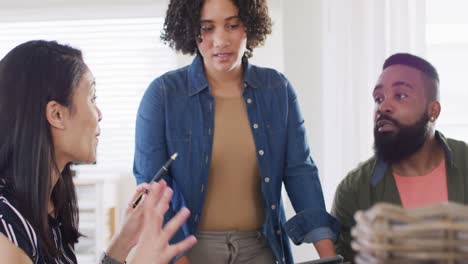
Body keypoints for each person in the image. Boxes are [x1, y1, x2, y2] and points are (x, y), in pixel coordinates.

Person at [133, 0, 339, 263]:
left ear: (249, 26)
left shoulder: (277, 89)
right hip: (189, 251)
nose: (221, 40)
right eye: (207, 28)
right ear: (189, 30)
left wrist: (329, 256)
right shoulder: (162, 95)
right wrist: (179, 259)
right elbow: (152, 186)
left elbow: (300, 171)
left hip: (261, 248)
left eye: (232, 25)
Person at [0, 40, 196, 264]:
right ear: (56, 115)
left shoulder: (48, 205)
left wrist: (122, 242)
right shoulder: (6, 234)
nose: (99, 114)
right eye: (92, 98)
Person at [331, 53, 468, 262]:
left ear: (433, 111)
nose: (383, 107)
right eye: (379, 98)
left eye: (400, 95)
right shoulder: (354, 190)